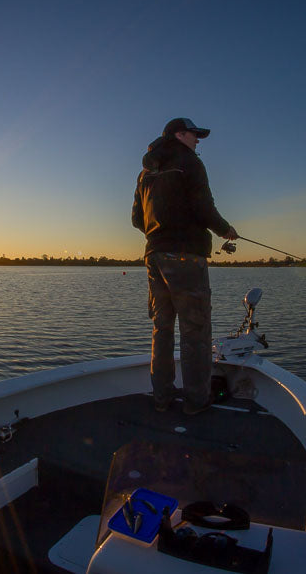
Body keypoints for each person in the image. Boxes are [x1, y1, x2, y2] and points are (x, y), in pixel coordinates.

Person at [132, 117, 238, 415]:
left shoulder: (145, 173)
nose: (197, 141)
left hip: (154, 256)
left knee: (161, 329)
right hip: (187, 257)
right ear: (179, 135)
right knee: (195, 331)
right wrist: (225, 229)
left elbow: (137, 220)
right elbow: (204, 209)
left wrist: (161, 235)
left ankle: (162, 399)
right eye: (194, 135)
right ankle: (196, 401)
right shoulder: (190, 162)